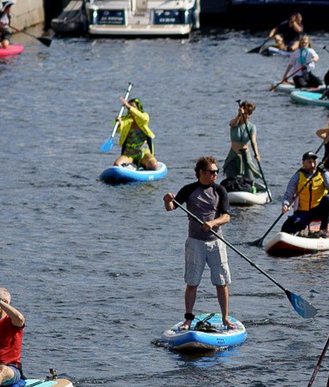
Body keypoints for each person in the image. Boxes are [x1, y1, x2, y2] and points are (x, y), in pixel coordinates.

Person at [164, 156, 234, 326]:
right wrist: (167, 200)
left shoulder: (220, 191)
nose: (216, 174)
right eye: (213, 172)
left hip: (216, 241)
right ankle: (188, 319)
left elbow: (226, 217)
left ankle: (225, 318)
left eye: (217, 172)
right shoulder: (189, 190)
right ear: (202, 172)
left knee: (222, 282)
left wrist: (212, 223)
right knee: (192, 282)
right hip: (195, 243)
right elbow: (171, 208)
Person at [223, 101, 267, 200]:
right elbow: (232, 124)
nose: (247, 116)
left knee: (249, 179)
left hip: (245, 155)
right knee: (231, 180)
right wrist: (239, 115)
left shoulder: (251, 127)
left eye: (249, 114)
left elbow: (253, 141)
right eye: (246, 114)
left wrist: (257, 154)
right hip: (233, 155)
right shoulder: (234, 124)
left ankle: (252, 189)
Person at [285, 151, 329, 238]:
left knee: (327, 200)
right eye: (309, 162)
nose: (313, 165)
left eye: (314, 162)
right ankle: (302, 230)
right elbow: (289, 193)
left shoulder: (323, 173)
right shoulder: (298, 176)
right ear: (303, 163)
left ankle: (323, 230)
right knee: (286, 228)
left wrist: (324, 172)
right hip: (303, 212)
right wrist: (285, 204)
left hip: (317, 211)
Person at [112, 95, 156, 171]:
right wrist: (118, 123)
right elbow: (118, 129)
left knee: (153, 166)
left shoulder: (144, 116)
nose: (130, 109)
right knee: (117, 164)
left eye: (133, 107)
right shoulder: (125, 119)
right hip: (129, 153)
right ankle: (130, 165)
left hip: (143, 152)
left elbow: (143, 119)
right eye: (128, 107)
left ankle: (143, 164)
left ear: (138, 108)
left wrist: (128, 106)